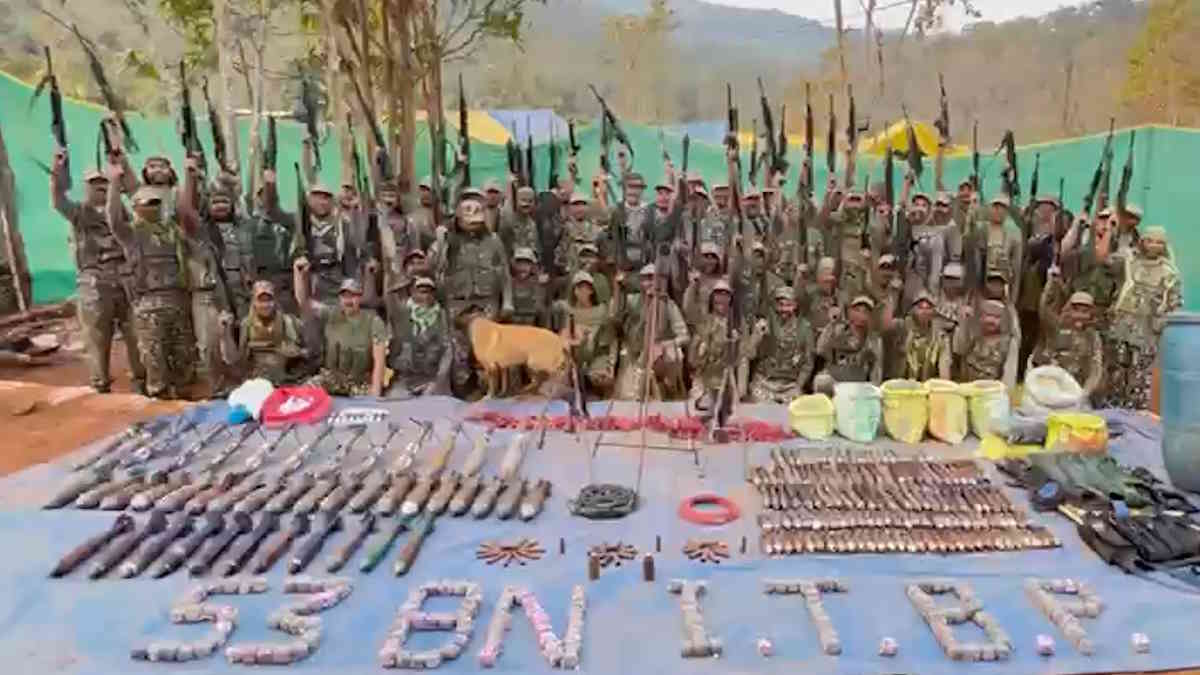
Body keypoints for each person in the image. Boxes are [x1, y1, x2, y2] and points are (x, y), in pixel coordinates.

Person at [51, 151, 145, 393]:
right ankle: (100, 384)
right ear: (86, 187)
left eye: (104, 181)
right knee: (96, 337)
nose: (100, 186)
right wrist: (58, 170)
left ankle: (142, 383)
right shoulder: (79, 212)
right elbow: (58, 199)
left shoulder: (122, 211)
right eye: (95, 183)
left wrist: (121, 167)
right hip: (94, 281)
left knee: (136, 333)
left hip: (125, 278)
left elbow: (137, 193)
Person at [104, 167, 197, 399]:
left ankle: (183, 397)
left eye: (155, 202)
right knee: (154, 359)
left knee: (184, 356)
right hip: (148, 304)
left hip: (178, 300)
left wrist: (189, 176)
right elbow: (113, 219)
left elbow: (187, 213)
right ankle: (159, 397)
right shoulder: (131, 234)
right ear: (135, 207)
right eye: (145, 202)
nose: (151, 206)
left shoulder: (173, 232)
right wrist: (114, 183)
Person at [186, 185, 254, 396]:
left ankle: (243, 378)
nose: (220, 206)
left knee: (242, 335)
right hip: (213, 292)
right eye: (215, 202)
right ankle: (218, 384)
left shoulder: (242, 229)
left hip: (240, 291)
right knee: (215, 338)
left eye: (225, 201)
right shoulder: (201, 231)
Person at [1103, 226, 1182, 410]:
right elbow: (1106, 262)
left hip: (1148, 332)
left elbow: (1175, 304)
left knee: (1140, 375)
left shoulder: (1170, 273)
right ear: (1142, 242)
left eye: (1159, 242)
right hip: (1122, 328)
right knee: (1115, 371)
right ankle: (1112, 408)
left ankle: (1136, 413)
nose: (1154, 245)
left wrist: (1161, 324)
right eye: (1150, 241)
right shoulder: (1129, 262)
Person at [295, 273, 389, 397]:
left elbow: (379, 362)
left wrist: (375, 394)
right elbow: (304, 302)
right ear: (339, 298)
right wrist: (299, 274)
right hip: (331, 380)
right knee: (300, 396)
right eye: (344, 296)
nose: (348, 301)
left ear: (360, 297)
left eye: (353, 296)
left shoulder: (374, 322)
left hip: (359, 383)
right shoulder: (329, 314)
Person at [612, 264, 689, 400]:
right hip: (635, 354)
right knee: (628, 397)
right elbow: (616, 317)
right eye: (646, 279)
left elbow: (684, 336)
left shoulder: (668, 304)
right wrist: (618, 290)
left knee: (674, 353)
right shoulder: (631, 301)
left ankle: (669, 388)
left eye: (653, 279)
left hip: (659, 355)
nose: (650, 283)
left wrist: (664, 345)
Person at [218, 280, 304, 385]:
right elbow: (238, 358)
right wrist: (225, 334)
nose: (265, 305)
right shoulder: (246, 324)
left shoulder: (286, 321)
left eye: (269, 300)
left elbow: (297, 350)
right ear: (254, 302)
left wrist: (281, 349)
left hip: (283, 376)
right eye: (261, 301)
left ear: (275, 301)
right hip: (255, 378)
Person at [1030, 284, 1103, 401]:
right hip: (1054, 387)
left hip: (1079, 391)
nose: (1079, 315)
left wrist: (1084, 393)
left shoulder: (1093, 336)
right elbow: (1043, 309)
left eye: (1084, 311)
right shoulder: (1056, 328)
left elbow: (1096, 369)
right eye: (1076, 310)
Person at [746, 285, 815, 403]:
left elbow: (808, 363)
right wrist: (756, 336)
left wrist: (799, 386)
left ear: (795, 305)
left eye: (788, 305)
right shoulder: (765, 324)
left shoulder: (804, 328)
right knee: (759, 404)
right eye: (780, 305)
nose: (784, 309)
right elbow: (749, 354)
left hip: (790, 384)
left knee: (794, 404)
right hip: (765, 382)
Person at [387, 276, 452, 398]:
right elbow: (389, 350)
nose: (426, 296)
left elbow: (448, 352)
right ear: (413, 293)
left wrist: (438, 381)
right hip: (404, 379)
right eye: (421, 292)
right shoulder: (400, 315)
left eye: (429, 292)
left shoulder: (442, 317)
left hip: (432, 379)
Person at [687, 278, 742, 410]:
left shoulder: (737, 324)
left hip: (725, 377)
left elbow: (741, 357)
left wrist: (735, 343)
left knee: (726, 409)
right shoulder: (704, 322)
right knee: (699, 408)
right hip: (704, 376)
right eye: (718, 294)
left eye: (725, 294)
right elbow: (693, 359)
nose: (721, 298)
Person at [560, 271, 616, 396]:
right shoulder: (569, 312)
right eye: (578, 288)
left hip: (597, 354)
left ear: (591, 291)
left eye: (585, 288)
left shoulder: (602, 311)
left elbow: (610, 339)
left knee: (602, 379)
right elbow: (564, 335)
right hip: (574, 356)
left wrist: (611, 361)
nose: (581, 291)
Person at [813, 295, 883, 395]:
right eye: (857, 310)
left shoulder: (874, 340)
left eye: (865, 312)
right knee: (821, 380)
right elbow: (820, 349)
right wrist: (832, 324)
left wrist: (875, 391)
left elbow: (876, 370)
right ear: (850, 312)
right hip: (834, 382)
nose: (860, 315)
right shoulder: (837, 330)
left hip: (857, 385)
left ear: (870, 316)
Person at [881, 290, 952, 382]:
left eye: (928, 308)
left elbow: (945, 369)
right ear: (913, 310)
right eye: (920, 307)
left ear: (934, 312)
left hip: (928, 385)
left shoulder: (941, 336)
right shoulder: (901, 329)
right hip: (901, 383)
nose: (924, 311)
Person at [952, 299, 1019, 389]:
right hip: (967, 386)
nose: (991, 320)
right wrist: (964, 323)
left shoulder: (1009, 343)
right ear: (981, 317)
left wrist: (1003, 392)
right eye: (988, 315)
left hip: (992, 390)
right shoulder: (973, 335)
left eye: (997, 317)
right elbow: (959, 350)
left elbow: (1009, 375)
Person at [509, 247, 550, 327]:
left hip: (533, 327)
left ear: (532, 266)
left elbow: (541, 312)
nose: (522, 267)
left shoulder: (538, 284)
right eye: (519, 263)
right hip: (511, 327)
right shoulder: (508, 283)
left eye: (526, 264)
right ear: (514, 265)